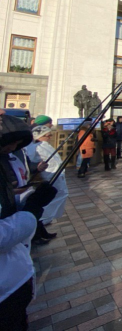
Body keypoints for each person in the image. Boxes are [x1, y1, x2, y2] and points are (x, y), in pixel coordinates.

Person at [0, 113, 58, 330]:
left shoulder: (10, 158)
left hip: (14, 280)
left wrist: (18, 193)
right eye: (11, 142)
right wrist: (31, 211)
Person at [27, 126, 70, 242]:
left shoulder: (45, 145)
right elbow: (29, 163)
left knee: (62, 195)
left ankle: (43, 221)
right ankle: (42, 219)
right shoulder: (33, 147)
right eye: (48, 135)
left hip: (57, 175)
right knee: (51, 198)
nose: (50, 137)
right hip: (48, 176)